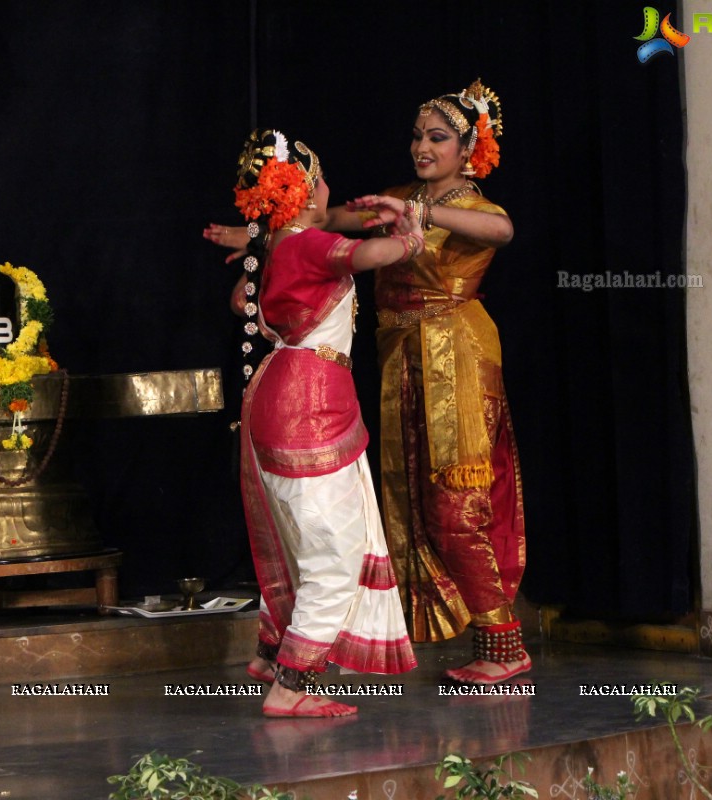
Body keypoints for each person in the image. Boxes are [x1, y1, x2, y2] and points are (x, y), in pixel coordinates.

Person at [205, 81, 526, 686]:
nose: (420, 147)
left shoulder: (473, 210)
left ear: (468, 149)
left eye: (437, 138)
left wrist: (417, 216)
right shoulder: (396, 196)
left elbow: (503, 232)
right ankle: (318, 646)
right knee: (405, 501)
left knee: (456, 498)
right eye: (416, 136)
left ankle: (503, 644)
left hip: (454, 353)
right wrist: (257, 240)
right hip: (397, 355)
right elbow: (318, 220)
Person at [217, 129, 419, 717]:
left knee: (302, 536)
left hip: (282, 394)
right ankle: (292, 685)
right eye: (321, 176)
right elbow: (376, 255)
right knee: (334, 551)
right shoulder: (304, 244)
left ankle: (273, 651)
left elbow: (241, 303)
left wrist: (260, 248)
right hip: (309, 405)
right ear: (305, 191)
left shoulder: (275, 247)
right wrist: (408, 231)